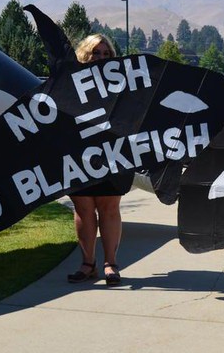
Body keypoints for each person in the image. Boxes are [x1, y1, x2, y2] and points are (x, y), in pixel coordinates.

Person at [67, 34, 133, 286]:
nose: (102, 58)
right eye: (96, 52)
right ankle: (87, 263)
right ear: (85, 54)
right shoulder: (70, 83)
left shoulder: (122, 84)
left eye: (106, 54)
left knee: (108, 208)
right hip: (77, 154)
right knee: (83, 209)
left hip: (112, 153)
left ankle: (111, 264)